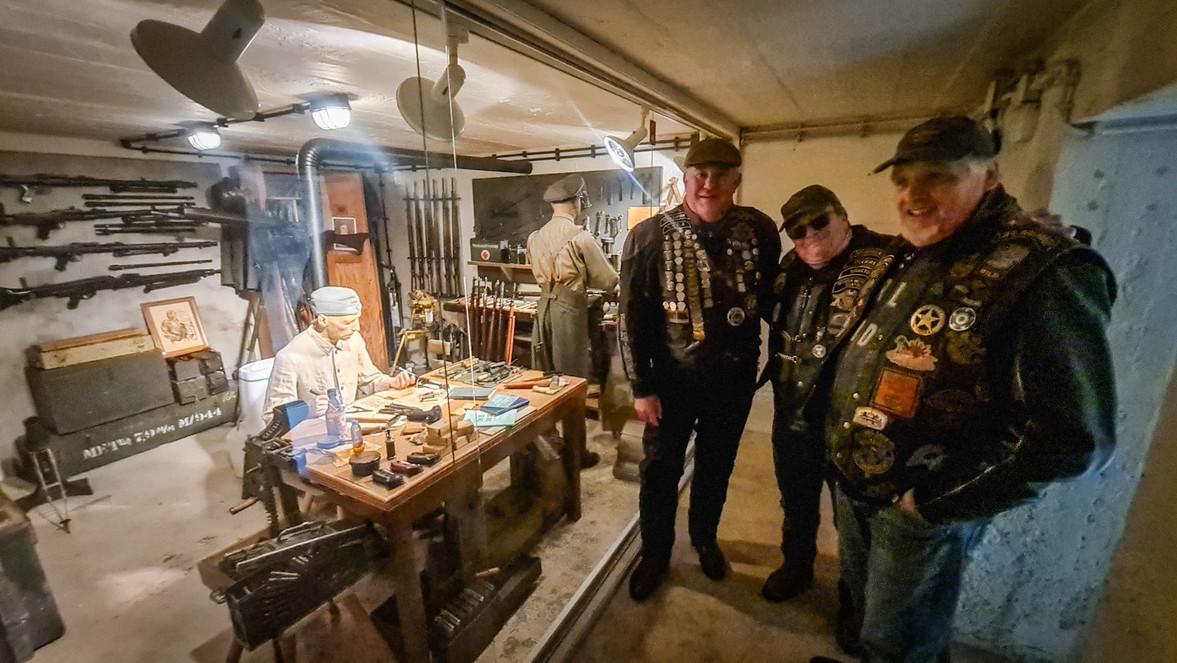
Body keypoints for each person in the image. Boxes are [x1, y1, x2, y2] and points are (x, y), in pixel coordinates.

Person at [808, 117, 1116, 663]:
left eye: (937, 177)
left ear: (990, 176)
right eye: (902, 181)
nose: (912, 196)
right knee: (865, 612)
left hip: (917, 508)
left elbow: (1074, 440)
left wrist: (928, 506)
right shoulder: (919, 251)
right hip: (857, 486)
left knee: (902, 643)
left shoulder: (1045, 268)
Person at [620, 138, 782, 601]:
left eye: (720, 174)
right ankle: (655, 553)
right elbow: (631, 319)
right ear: (686, 179)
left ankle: (705, 539)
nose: (709, 184)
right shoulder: (648, 236)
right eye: (700, 174)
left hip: (733, 379)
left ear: (737, 179)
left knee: (717, 466)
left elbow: (772, 298)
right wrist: (641, 386)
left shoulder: (760, 229)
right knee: (659, 470)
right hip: (670, 381)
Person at [760, 186, 891, 621]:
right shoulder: (789, 268)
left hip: (852, 418)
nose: (810, 235)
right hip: (794, 409)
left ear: (843, 216)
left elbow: (952, 265)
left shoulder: (889, 259)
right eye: (798, 230)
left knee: (854, 518)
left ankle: (856, 602)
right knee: (796, 500)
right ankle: (797, 567)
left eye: (819, 222)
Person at [528, 174, 620, 468]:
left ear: (553, 206)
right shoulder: (581, 238)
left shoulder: (534, 237)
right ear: (577, 203)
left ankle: (549, 445)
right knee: (573, 383)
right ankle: (576, 454)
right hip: (568, 312)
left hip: (543, 309)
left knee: (544, 381)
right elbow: (608, 279)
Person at [263, 286, 415, 420]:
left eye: (356, 320)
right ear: (323, 321)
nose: (357, 327)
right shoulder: (290, 357)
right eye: (348, 322)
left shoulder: (353, 340)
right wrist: (307, 410)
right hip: (316, 435)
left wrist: (391, 382)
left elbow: (369, 380)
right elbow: (271, 416)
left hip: (353, 424)